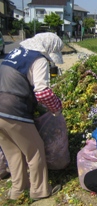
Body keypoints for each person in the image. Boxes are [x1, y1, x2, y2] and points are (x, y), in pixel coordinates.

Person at [0, 32, 63, 200]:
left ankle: (17, 191)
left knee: (13, 152)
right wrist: (56, 109)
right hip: (14, 110)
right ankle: (40, 191)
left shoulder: (16, 52)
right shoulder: (39, 59)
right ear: (49, 49)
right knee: (35, 150)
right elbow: (42, 92)